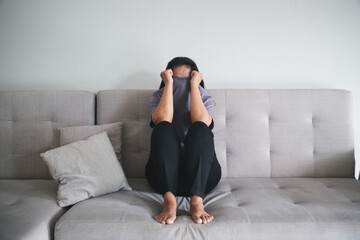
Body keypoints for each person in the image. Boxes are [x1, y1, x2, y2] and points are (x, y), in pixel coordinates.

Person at [145, 57, 222, 225]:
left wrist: (194, 86)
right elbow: (162, 119)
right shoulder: (158, 97)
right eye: (176, 79)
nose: (182, 84)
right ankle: (169, 201)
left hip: (202, 176)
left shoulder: (205, 97)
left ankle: (196, 201)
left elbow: (202, 121)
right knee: (163, 127)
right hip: (163, 176)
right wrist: (169, 85)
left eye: (187, 80)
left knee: (201, 128)